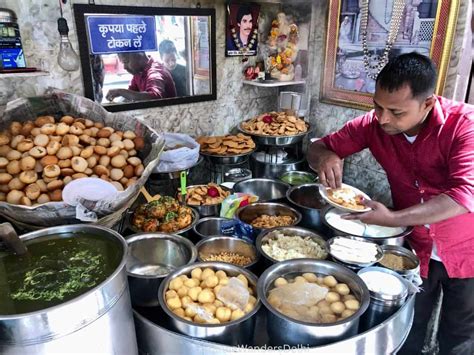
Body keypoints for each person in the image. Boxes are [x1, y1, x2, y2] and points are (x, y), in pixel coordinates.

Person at [308, 52, 474, 355]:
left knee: (460, 334)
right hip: (415, 248)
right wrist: (327, 156)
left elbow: (462, 195)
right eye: (377, 106)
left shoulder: (463, 125)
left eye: (396, 112)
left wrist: (394, 219)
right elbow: (318, 146)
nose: (383, 118)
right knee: (409, 322)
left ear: (427, 103)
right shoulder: (374, 125)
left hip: (466, 248)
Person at [106, 52, 176, 102]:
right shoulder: (138, 72)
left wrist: (120, 92)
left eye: (126, 62)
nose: (124, 67)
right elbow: (131, 94)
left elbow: (154, 97)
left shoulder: (155, 72)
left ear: (139, 55)